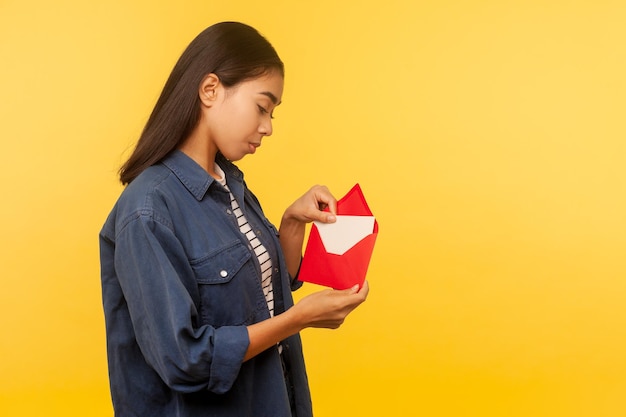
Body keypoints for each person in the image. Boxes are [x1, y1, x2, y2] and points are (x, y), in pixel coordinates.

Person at [99, 21, 369, 417]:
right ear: (210, 90)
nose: (269, 127)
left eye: (273, 113)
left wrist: (292, 223)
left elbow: (261, 292)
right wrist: (297, 320)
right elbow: (185, 359)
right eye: (262, 107)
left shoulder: (229, 184)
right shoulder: (148, 210)